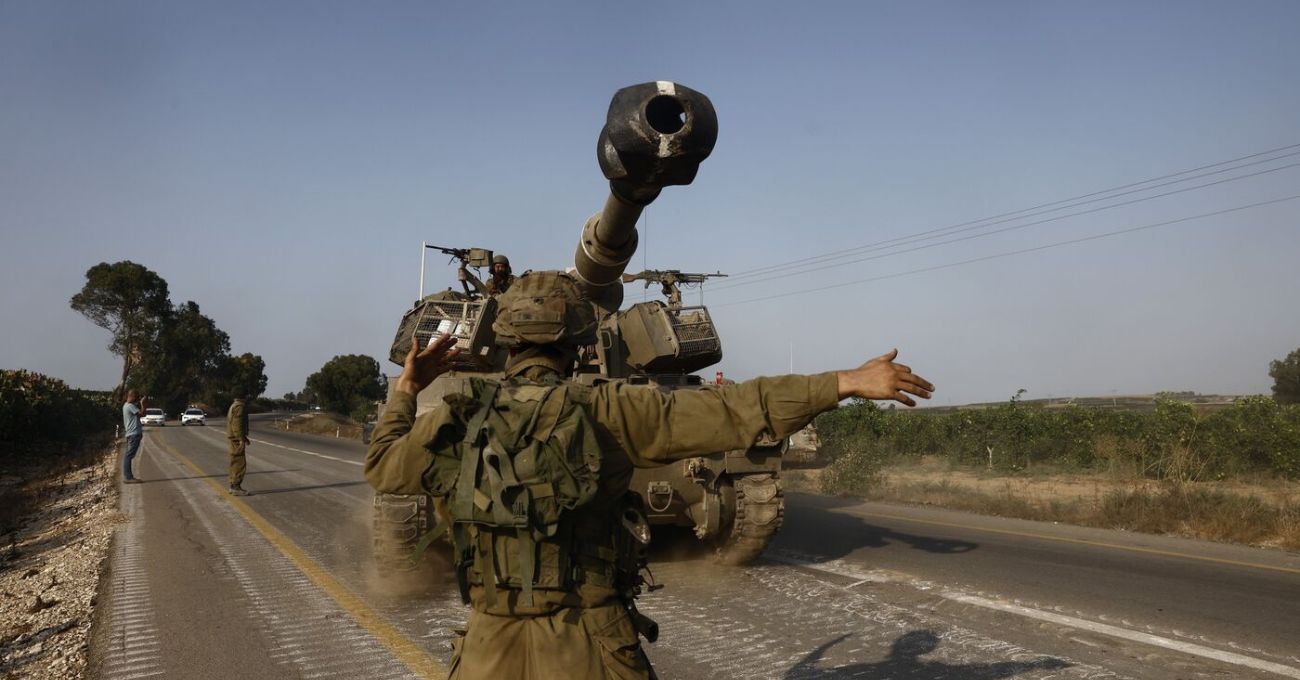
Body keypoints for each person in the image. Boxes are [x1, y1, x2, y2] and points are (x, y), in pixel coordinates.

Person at [365, 270, 933, 680]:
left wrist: (407, 390)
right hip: (592, 640)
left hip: (489, 644)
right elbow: (736, 411)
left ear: (503, 339)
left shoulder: (454, 417)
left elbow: (384, 468)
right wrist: (845, 381)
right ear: (582, 338)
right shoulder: (612, 409)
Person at [226, 394, 251, 495]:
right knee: (239, 462)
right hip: (236, 438)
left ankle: (233, 486)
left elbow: (235, 424)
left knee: (235, 460)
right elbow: (237, 424)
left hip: (234, 437)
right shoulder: (240, 406)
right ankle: (236, 486)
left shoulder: (234, 405)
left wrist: (244, 438)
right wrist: (241, 439)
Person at [121, 389, 146, 483]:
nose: (137, 399)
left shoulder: (126, 406)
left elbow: (142, 414)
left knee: (129, 455)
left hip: (131, 434)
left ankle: (128, 476)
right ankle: (128, 477)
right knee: (129, 455)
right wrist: (142, 403)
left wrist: (142, 403)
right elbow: (142, 414)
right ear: (132, 396)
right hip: (134, 433)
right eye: (136, 397)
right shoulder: (130, 406)